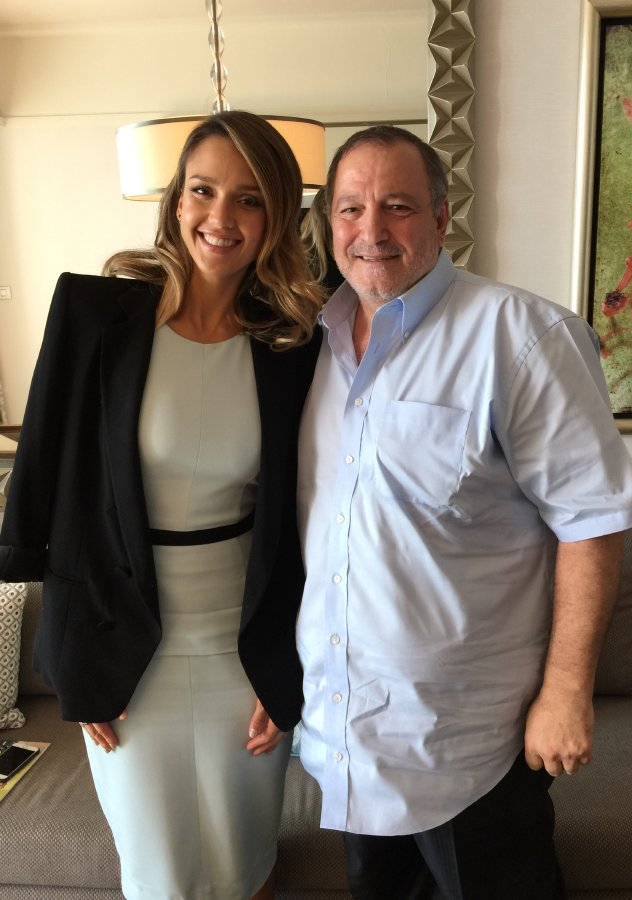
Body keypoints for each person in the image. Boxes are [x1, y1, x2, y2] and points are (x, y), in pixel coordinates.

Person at [295, 125, 632, 900]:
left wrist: (566, 694)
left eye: (397, 206)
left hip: (471, 747)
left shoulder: (521, 336)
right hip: (349, 737)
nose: (371, 230)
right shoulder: (308, 345)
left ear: (440, 215)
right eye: (351, 208)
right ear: (329, 222)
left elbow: (592, 524)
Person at [0, 110, 323, 900]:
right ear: (176, 198)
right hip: (123, 648)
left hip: (243, 648)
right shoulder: (93, 314)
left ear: (278, 214)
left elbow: (307, 516)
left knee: (246, 860)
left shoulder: (294, 341)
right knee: (160, 874)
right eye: (202, 190)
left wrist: (289, 673)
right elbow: (50, 486)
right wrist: (72, 665)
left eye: (249, 199)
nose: (220, 216)